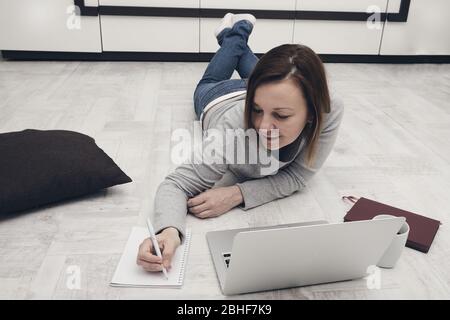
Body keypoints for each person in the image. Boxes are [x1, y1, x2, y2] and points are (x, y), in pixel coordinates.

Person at [137, 13, 344, 272]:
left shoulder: (329, 108)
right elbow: (177, 183)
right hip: (217, 98)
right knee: (210, 80)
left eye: (281, 116)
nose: (263, 127)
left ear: (312, 112)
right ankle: (238, 31)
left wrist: (237, 194)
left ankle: (232, 35)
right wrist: (168, 231)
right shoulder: (235, 124)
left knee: (279, 75)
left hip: (261, 89)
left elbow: (298, 177)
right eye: (257, 111)